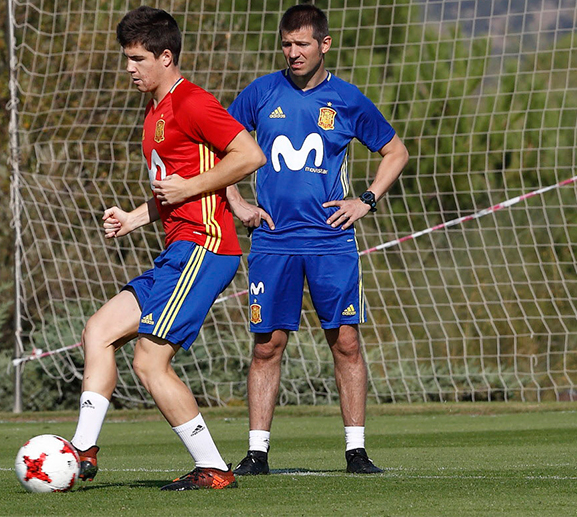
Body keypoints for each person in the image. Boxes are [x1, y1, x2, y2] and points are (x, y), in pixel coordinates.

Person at [68, 6, 266, 491]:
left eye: (137, 58)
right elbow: (174, 189)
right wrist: (135, 217)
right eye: (126, 58)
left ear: (166, 56)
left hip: (207, 246)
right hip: (177, 250)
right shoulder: (154, 111)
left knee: (149, 361)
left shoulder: (192, 102)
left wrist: (187, 189)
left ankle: (215, 470)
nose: (129, 68)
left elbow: (250, 154)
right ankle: (84, 450)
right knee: (98, 330)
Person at [225, 4, 409, 475]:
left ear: (324, 44)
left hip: (331, 241)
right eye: (286, 44)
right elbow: (216, 146)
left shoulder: (346, 99)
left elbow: (395, 150)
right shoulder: (260, 92)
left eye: (302, 44)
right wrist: (237, 203)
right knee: (267, 344)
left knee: (345, 341)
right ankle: (257, 454)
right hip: (273, 240)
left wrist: (365, 200)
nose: (293, 53)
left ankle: (356, 452)